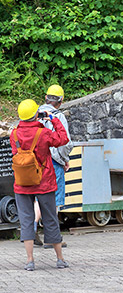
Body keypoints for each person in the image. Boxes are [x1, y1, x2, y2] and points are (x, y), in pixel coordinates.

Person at [10, 98, 70, 271]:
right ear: (36, 114)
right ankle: (60, 259)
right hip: (44, 182)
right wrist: (53, 119)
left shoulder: (14, 134)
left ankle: (29, 260)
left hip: (22, 183)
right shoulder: (43, 133)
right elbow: (62, 139)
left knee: (27, 220)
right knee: (51, 218)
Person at [34, 85, 73, 247]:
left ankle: (31, 228)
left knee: (38, 196)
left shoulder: (34, 115)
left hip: (36, 161)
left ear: (46, 97)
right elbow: (65, 142)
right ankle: (52, 237)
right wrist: (65, 160)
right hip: (54, 161)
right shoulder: (58, 116)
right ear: (61, 100)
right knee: (54, 199)